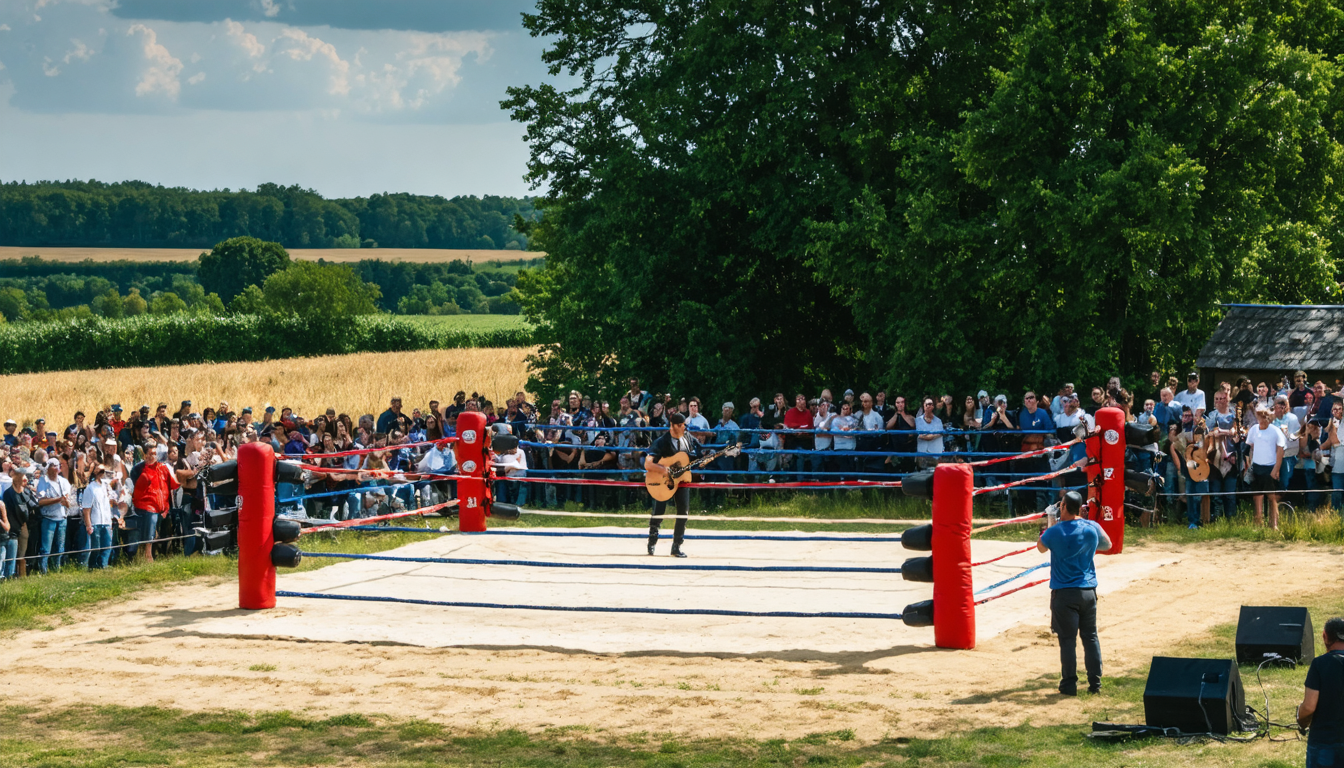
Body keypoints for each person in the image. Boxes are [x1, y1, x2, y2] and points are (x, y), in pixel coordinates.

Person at [1036, 491, 1113, 696]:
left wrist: (1052, 523)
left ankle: (1069, 684)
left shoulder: (1055, 532)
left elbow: (1041, 547)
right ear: (1080, 508)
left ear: (1062, 507)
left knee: (1067, 641)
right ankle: (1095, 684)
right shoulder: (1091, 528)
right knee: (1090, 637)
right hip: (1088, 591)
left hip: (1064, 593)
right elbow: (1107, 544)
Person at [644, 412, 699, 558]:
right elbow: (648, 463)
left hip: (682, 480)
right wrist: (664, 469)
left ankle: (676, 546)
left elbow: (698, 453)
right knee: (659, 511)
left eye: (683, 425)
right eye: (679, 425)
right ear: (672, 425)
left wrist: (721, 452)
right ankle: (652, 540)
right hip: (663, 480)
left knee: (683, 512)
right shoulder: (662, 441)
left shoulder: (688, 438)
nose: (682, 428)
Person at [1298, 617, 1344, 768]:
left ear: (1324, 635)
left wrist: (1301, 720)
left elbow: (1309, 707)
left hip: (1325, 743)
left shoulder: (1320, 664)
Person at [130, 443, 180, 563]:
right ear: (145, 455)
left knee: (168, 523)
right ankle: (148, 555)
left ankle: (164, 553)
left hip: (163, 505)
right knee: (151, 518)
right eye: (150, 454)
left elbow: (173, 484)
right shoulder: (138, 469)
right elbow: (136, 492)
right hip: (146, 505)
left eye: (154, 453)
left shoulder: (163, 468)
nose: (152, 456)